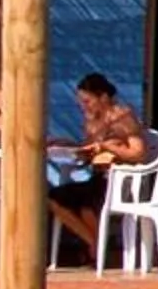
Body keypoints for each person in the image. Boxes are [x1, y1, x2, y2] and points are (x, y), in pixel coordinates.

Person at [46, 72, 151, 256]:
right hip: (98, 177)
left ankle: (97, 249)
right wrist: (69, 146)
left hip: (117, 179)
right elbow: (90, 150)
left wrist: (108, 147)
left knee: (87, 205)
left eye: (87, 101)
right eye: (80, 101)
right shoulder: (93, 121)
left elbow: (138, 153)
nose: (82, 106)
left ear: (103, 97)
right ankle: (94, 243)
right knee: (53, 197)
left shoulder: (122, 117)